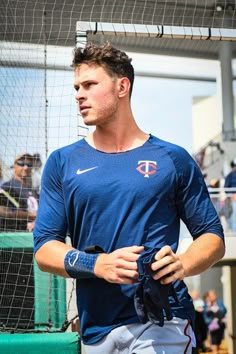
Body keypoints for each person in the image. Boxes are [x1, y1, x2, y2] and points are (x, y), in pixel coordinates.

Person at [33, 42, 225, 354]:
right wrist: (97, 264)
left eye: (90, 85)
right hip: (96, 330)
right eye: (77, 87)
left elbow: (213, 237)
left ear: (122, 86)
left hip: (163, 321)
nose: (79, 94)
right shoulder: (62, 162)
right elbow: (44, 249)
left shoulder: (172, 159)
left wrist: (184, 263)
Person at [0, 153, 38, 232]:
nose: (26, 167)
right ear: (14, 165)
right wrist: (32, 216)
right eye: (21, 164)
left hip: (35, 235)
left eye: (29, 164)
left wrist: (37, 221)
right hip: (16, 236)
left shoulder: (34, 191)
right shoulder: (8, 187)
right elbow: (2, 210)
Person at [203, 290, 227, 354]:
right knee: (214, 340)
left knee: (219, 340)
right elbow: (205, 315)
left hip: (220, 324)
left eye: (213, 295)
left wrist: (218, 309)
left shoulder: (219, 302)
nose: (212, 297)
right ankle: (215, 351)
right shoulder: (207, 304)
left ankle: (217, 350)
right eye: (211, 296)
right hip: (212, 324)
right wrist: (208, 308)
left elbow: (224, 311)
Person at [224, 158, 236, 233]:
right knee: (234, 216)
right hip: (233, 200)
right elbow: (226, 188)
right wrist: (232, 195)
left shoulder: (229, 175)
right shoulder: (230, 176)